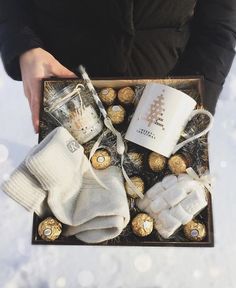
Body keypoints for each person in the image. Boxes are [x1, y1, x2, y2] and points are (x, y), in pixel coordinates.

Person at [0, 0, 235, 133]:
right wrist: (24, 45)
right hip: (68, 95)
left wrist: (195, 92)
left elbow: (218, 25)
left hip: (166, 100)